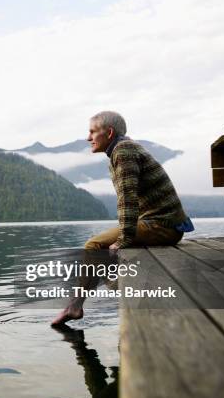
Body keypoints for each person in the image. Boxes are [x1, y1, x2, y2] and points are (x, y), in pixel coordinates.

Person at [51, 111, 193, 326]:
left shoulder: (123, 151)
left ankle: (76, 306)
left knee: (94, 245)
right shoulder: (122, 149)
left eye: (92, 132)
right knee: (103, 252)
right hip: (160, 223)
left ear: (108, 133)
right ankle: (108, 286)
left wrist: (124, 239)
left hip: (163, 225)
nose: (88, 138)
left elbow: (128, 200)